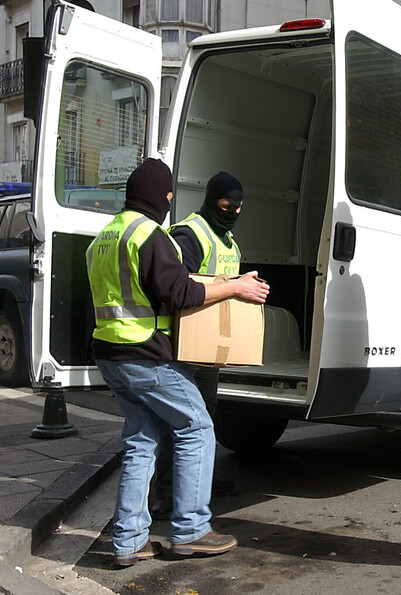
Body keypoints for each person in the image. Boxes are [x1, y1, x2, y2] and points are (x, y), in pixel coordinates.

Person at [86, 158, 270, 566]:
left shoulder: (105, 235)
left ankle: (130, 540)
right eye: (169, 195)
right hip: (146, 356)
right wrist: (235, 288)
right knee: (198, 427)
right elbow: (180, 293)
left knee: (142, 441)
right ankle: (191, 530)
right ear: (162, 196)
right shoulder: (147, 235)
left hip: (111, 354)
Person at [149, 172, 246, 518]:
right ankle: (165, 493)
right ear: (210, 200)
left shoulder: (228, 240)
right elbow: (179, 284)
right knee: (181, 422)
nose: (232, 212)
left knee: (205, 416)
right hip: (185, 345)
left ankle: (198, 481)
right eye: (225, 206)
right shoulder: (190, 233)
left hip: (210, 346)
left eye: (238, 207)